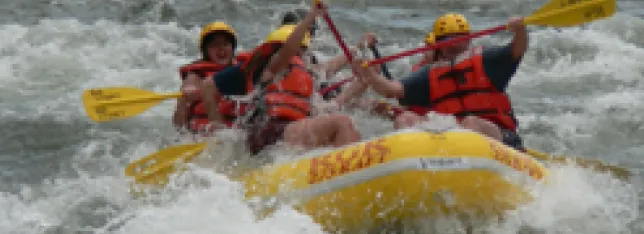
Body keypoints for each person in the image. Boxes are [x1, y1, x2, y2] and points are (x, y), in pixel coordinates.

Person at [198, 3, 360, 154]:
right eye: (299, 47)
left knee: (346, 125)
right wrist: (310, 18)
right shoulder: (271, 65)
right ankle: (353, 174)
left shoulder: (304, 68)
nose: (301, 51)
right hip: (270, 133)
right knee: (341, 123)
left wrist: (359, 49)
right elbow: (287, 49)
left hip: (285, 130)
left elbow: (329, 67)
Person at [352, 13, 527, 151]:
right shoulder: (429, 73)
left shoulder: (486, 59)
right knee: (405, 118)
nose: (454, 45)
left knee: (470, 123)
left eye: (458, 38)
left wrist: (520, 30)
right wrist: (369, 74)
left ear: (468, 40)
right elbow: (390, 90)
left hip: (499, 138)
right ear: (439, 45)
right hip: (452, 138)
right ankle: (413, 165)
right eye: (448, 40)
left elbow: (517, 49)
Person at [173, 21, 251, 133]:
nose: (221, 49)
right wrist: (184, 98)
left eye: (226, 44)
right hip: (203, 133)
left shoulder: (241, 70)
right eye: (215, 45)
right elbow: (177, 125)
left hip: (236, 132)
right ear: (206, 51)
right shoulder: (196, 74)